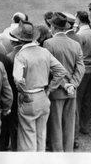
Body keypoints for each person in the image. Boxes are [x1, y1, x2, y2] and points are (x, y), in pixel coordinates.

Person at [11, 21, 67, 152]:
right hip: (43, 97)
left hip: (29, 98)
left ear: (19, 38)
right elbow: (61, 71)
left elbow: (18, 80)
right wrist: (49, 89)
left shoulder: (20, 56)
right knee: (41, 135)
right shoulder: (44, 52)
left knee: (28, 136)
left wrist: (24, 94)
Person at [43, 13, 85, 152]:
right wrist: (73, 84)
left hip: (56, 90)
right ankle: (68, 153)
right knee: (69, 124)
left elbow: (50, 69)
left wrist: (65, 85)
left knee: (56, 125)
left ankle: (58, 154)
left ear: (53, 27)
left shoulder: (48, 43)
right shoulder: (75, 44)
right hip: (71, 91)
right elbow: (80, 68)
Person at [73, 11, 91, 139]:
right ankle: (85, 127)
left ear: (78, 19)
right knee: (87, 99)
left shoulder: (80, 35)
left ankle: (76, 129)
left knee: (77, 100)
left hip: (82, 70)